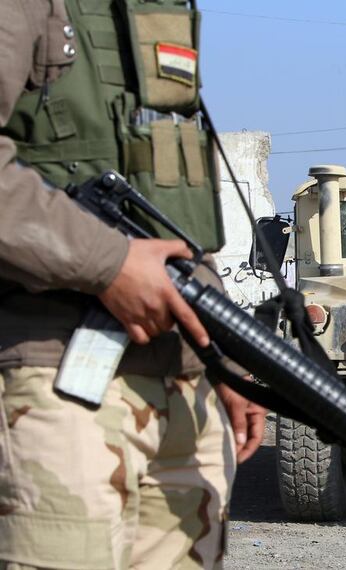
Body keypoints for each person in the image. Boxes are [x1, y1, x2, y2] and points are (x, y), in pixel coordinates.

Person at [0, 1, 265, 568]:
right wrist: (108, 263)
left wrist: (222, 353)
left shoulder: (157, 10)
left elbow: (172, 219)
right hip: (58, 383)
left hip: (185, 388)